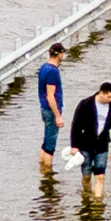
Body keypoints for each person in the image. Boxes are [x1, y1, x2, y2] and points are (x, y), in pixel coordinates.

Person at [68, 82, 111, 199]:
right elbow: (76, 126)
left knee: (100, 176)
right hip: (85, 145)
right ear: (101, 93)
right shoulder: (85, 104)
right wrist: (74, 146)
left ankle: (97, 203)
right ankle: (86, 195)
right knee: (86, 175)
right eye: (109, 97)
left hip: (102, 146)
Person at [36, 44, 65, 173]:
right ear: (58, 54)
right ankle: (48, 176)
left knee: (46, 141)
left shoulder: (44, 68)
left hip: (44, 108)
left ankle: (41, 169)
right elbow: (50, 96)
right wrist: (58, 115)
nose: (63, 56)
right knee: (50, 146)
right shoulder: (52, 71)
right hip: (50, 110)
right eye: (62, 53)